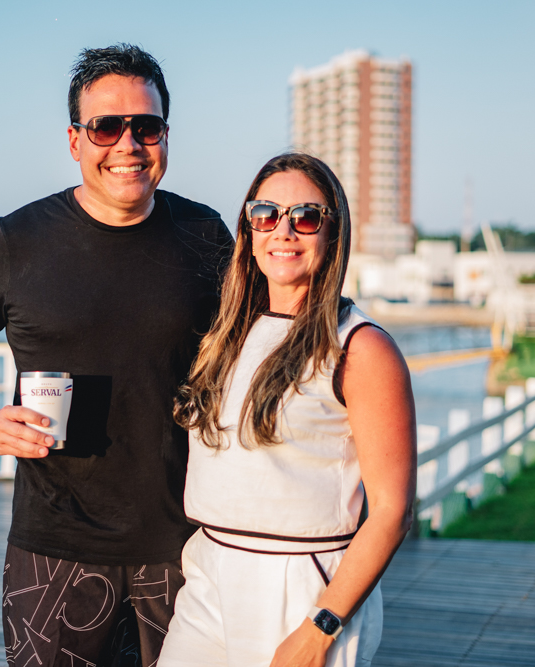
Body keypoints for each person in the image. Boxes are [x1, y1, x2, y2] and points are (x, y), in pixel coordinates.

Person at [0, 44, 232, 667]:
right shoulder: (15, 241)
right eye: (106, 127)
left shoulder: (206, 235)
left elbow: (251, 354)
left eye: (146, 126)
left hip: (186, 543)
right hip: (54, 548)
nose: (128, 144)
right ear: (75, 140)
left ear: (165, 136)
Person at [161, 153, 417, 667]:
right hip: (210, 569)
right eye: (266, 214)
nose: (284, 231)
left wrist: (321, 627)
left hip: (300, 587)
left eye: (306, 217)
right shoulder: (227, 335)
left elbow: (392, 511)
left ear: (333, 232)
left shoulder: (360, 348)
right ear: (248, 228)